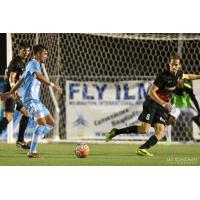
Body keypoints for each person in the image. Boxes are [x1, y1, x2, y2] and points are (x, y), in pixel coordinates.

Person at [105, 55, 200, 156]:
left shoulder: (179, 75)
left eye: (176, 64)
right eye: (172, 64)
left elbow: (188, 76)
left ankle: (142, 149)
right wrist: (163, 103)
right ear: (169, 64)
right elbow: (151, 92)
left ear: (179, 66)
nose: (173, 66)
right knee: (144, 129)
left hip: (162, 107)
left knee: (161, 132)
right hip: (152, 103)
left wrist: (198, 76)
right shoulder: (163, 76)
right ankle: (116, 132)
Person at [10, 44, 62, 158]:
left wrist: (12, 91)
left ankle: (33, 141)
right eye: (45, 53)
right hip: (30, 100)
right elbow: (38, 76)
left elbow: (21, 80)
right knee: (42, 123)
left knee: (51, 123)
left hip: (36, 100)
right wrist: (53, 85)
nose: (46, 56)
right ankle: (32, 151)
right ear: (38, 54)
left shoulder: (33, 65)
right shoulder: (34, 63)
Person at [0, 42, 30, 149]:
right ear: (19, 50)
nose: (26, 53)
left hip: (14, 92)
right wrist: (13, 89)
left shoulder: (22, 62)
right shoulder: (16, 62)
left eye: (27, 50)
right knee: (8, 118)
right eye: (24, 51)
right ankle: (20, 141)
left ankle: (20, 141)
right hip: (10, 92)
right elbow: (11, 77)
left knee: (26, 114)